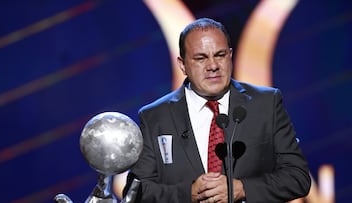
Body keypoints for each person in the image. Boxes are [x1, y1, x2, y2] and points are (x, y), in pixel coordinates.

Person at [124, 17, 311, 203]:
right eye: (201, 58)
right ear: (183, 65)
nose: (213, 66)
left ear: (230, 55)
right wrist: (188, 194)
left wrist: (242, 189)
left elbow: (298, 177)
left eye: (220, 55)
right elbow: (136, 192)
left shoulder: (266, 103)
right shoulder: (155, 117)